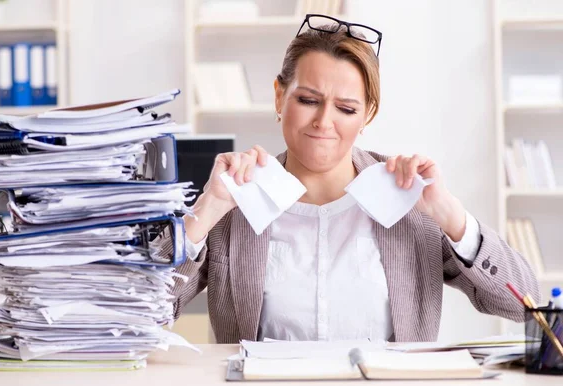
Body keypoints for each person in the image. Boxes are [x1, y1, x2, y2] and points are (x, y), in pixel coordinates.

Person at [156, 14, 539, 343]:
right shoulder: (238, 201)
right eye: (308, 100)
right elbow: (139, 317)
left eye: (346, 107)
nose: (324, 121)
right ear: (279, 97)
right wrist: (205, 213)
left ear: (367, 114)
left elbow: (528, 306)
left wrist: (453, 218)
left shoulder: (410, 200)